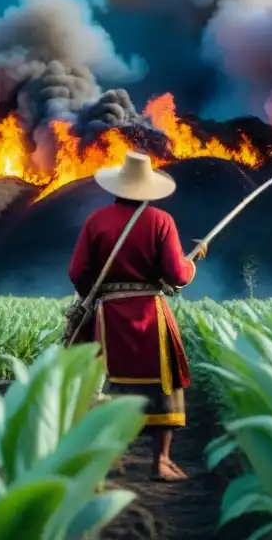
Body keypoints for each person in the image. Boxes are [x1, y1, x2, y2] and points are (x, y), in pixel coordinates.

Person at [67, 151, 206, 482]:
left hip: (108, 317)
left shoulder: (96, 221)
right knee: (163, 382)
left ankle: (111, 459)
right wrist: (194, 261)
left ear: (117, 187)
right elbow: (176, 273)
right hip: (150, 316)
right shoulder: (160, 221)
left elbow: (78, 272)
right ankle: (160, 462)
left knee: (108, 381)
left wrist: (101, 292)